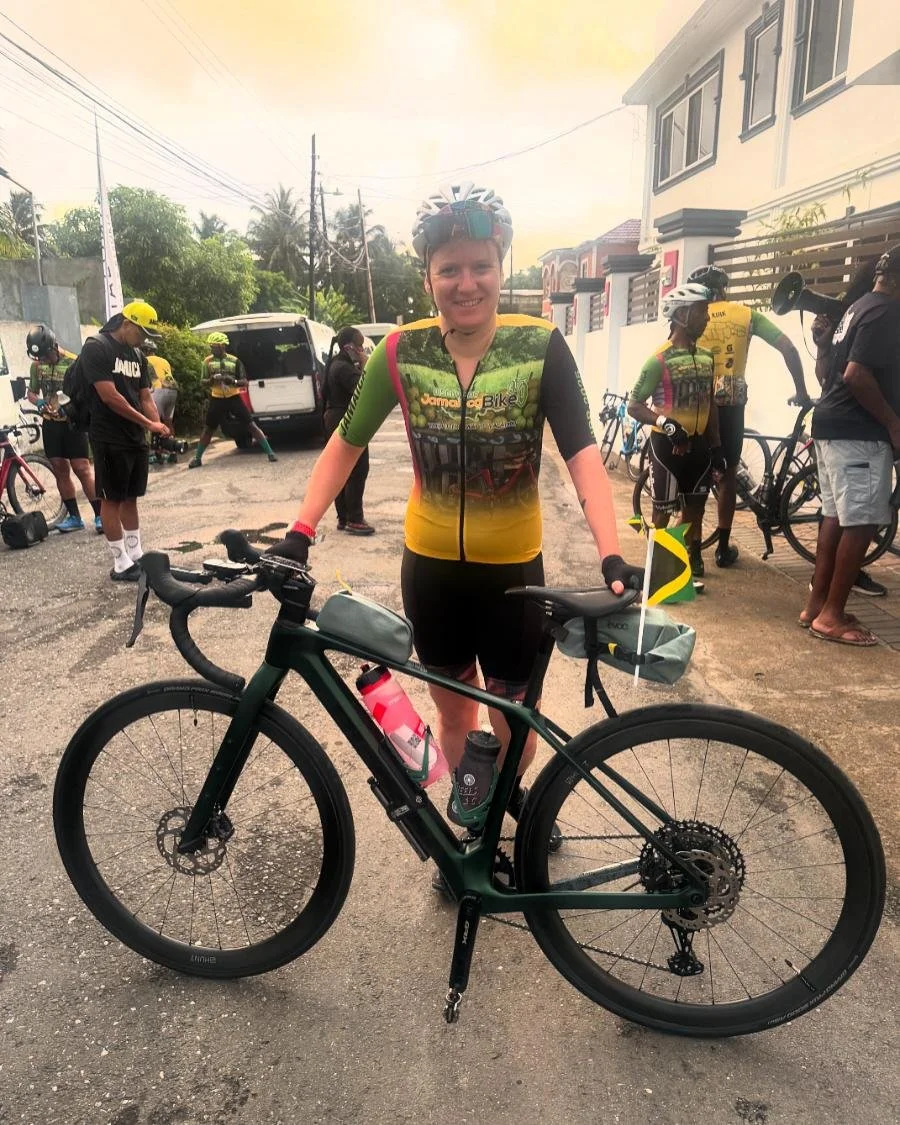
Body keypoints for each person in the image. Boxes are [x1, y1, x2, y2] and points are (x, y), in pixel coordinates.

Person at [261, 182, 643, 893]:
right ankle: (475, 830)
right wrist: (300, 531)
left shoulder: (540, 346)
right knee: (454, 706)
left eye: (480, 265)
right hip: (430, 567)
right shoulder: (400, 352)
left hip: (513, 573)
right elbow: (345, 443)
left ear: (501, 264)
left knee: (513, 714)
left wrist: (610, 549)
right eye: (449, 268)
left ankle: (507, 802)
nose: (466, 282)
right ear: (428, 274)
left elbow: (583, 451)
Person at [799, 245, 900, 645]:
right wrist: (893, 424)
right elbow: (857, 376)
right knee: (860, 522)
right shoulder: (888, 313)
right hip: (858, 432)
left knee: (836, 517)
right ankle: (832, 616)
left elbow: (836, 372)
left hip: (831, 425)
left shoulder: (858, 308)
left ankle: (817, 607)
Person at [687, 264, 811, 568]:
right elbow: (790, 349)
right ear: (724, 288)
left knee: (697, 477)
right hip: (731, 404)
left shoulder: (692, 317)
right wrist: (802, 392)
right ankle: (723, 549)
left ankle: (693, 556)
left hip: (698, 404)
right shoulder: (746, 315)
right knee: (728, 474)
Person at [628, 282, 724, 584]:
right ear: (682, 315)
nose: (707, 318)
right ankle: (658, 569)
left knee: (695, 507)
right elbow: (634, 405)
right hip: (668, 447)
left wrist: (717, 446)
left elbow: (711, 405)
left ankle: (690, 558)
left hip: (699, 447)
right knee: (663, 511)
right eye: (701, 312)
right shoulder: (659, 360)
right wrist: (666, 425)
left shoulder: (708, 358)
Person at [80, 300, 171, 581]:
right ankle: (120, 562)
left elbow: (145, 396)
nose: (143, 338)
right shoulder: (97, 347)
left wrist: (157, 425)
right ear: (127, 323)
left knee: (131, 497)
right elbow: (109, 396)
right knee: (112, 499)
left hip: (135, 437)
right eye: (141, 331)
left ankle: (136, 554)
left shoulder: (138, 357)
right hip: (108, 435)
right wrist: (147, 423)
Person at [25, 324, 103, 533]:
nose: (41, 359)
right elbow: (31, 393)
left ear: (53, 346)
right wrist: (38, 402)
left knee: (82, 469)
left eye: (44, 355)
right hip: (50, 424)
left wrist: (70, 409)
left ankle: (99, 515)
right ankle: (74, 517)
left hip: (72, 423)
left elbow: (85, 393)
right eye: (38, 357)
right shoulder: (36, 367)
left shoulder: (74, 362)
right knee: (60, 469)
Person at [188, 332, 277, 467]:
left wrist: (233, 381)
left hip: (233, 397)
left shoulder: (235, 361)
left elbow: (244, 382)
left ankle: (270, 452)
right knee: (208, 429)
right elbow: (202, 382)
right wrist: (211, 380)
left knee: (251, 425)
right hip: (217, 398)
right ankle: (197, 458)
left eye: (215, 346)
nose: (212, 349)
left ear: (223, 346)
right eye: (211, 347)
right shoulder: (207, 362)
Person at [322, 327, 374, 535]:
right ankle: (355, 518)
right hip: (345, 419)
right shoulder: (343, 367)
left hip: (334, 418)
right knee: (357, 469)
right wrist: (364, 363)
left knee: (341, 468)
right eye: (359, 345)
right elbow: (364, 389)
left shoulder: (335, 363)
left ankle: (343, 517)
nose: (361, 349)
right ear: (349, 347)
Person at [142, 338, 179, 464]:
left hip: (158, 390)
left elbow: (146, 379)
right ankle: (173, 450)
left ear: (146, 350)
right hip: (172, 390)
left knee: (153, 421)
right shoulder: (164, 360)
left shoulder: (144, 359)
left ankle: (155, 452)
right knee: (168, 421)